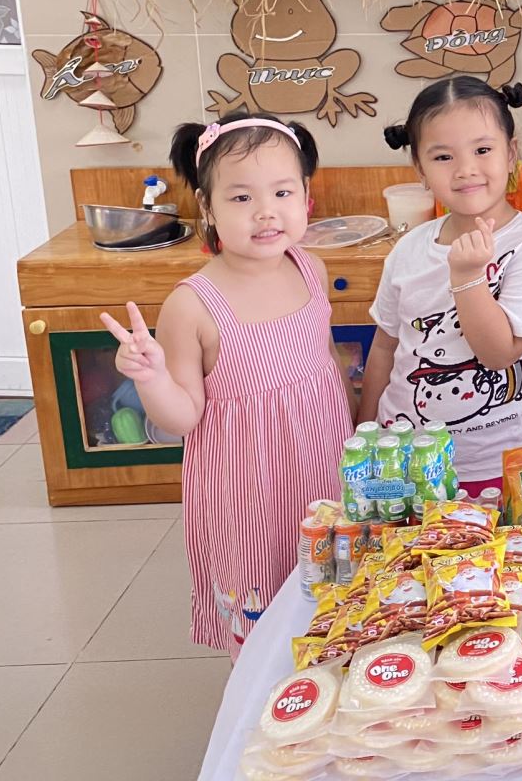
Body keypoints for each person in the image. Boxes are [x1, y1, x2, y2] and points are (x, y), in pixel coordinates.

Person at [100, 112, 353, 655]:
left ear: (306, 195)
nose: (266, 211)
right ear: (207, 206)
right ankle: (257, 696)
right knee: (263, 616)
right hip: (247, 494)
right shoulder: (192, 305)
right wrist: (151, 376)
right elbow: (182, 416)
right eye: (240, 197)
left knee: (336, 599)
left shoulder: (308, 268)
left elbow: (326, 360)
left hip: (326, 473)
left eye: (282, 191)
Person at [358, 78, 522, 497]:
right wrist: (366, 432)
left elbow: (500, 353)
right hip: (403, 458)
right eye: (443, 156)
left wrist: (468, 278)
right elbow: (384, 347)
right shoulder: (409, 248)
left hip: (488, 464)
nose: (465, 169)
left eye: (482, 150)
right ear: (420, 169)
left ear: (511, 154)